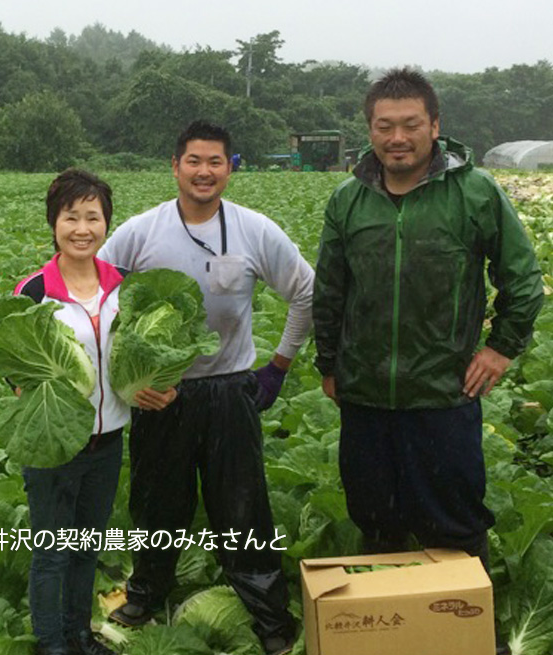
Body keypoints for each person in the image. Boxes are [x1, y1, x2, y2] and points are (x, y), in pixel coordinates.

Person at [312, 68, 543, 655]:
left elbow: (522, 281)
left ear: (434, 127)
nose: (397, 137)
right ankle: (388, 635)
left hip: (443, 396)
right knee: (376, 523)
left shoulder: (475, 193)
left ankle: (464, 634)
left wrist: (501, 348)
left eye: (411, 124)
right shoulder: (348, 199)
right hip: (365, 400)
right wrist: (329, 363)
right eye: (384, 126)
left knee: (456, 527)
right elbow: (332, 290)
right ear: (369, 131)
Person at [100, 120, 315, 655]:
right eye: (193, 161)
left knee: (243, 506)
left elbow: (307, 292)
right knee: (156, 502)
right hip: (160, 394)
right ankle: (146, 592)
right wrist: (125, 378)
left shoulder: (254, 230)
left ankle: (268, 614)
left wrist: (278, 365)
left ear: (230, 168)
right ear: (175, 167)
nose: (204, 171)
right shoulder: (140, 231)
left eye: (215, 161)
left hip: (228, 390)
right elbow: (95, 301)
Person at [14, 169, 176, 655]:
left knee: (86, 547)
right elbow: (15, 366)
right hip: (53, 444)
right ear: (54, 223)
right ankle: (50, 643)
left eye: (93, 217)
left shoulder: (126, 288)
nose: (82, 228)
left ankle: (79, 634)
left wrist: (161, 387)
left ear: (107, 223)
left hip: (109, 440)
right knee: (52, 552)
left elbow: (155, 349)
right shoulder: (35, 291)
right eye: (71, 217)